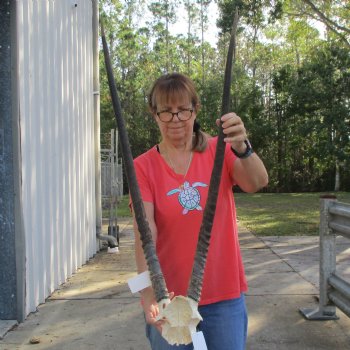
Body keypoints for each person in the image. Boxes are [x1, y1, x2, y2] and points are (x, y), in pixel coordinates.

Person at [131, 73, 268, 350]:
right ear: (154, 114)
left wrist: (242, 147)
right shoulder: (143, 166)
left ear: (196, 110)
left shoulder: (220, 150)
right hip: (169, 300)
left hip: (223, 298)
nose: (176, 119)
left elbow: (257, 182)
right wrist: (147, 293)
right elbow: (145, 234)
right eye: (166, 112)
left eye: (183, 110)